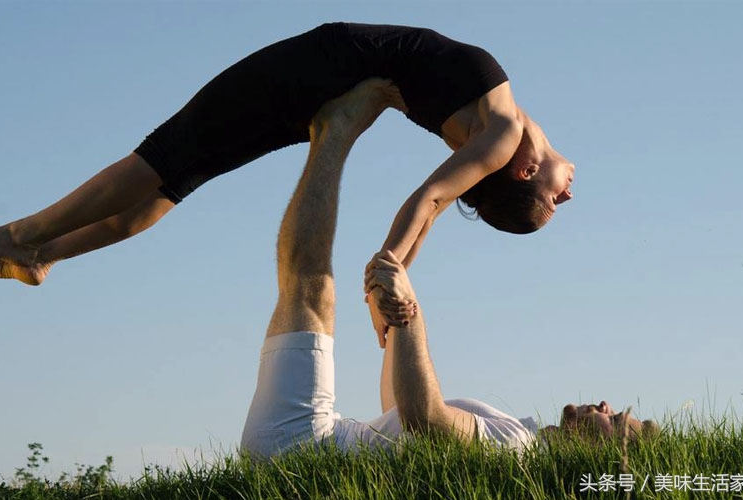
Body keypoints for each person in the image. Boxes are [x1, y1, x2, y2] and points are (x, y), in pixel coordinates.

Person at [0, 23, 575, 344]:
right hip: (323, 89)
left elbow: (430, 201)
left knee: (158, 166)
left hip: (314, 69)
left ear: (518, 171)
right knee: (170, 184)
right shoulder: (493, 132)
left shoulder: (499, 128)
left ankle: (24, 236)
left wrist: (388, 268)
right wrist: (390, 276)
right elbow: (434, 209)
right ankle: (43, 256)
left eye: (552, 199)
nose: (568, 192)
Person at [240, 83, 649, 459]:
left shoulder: (516, 448)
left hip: (301, 443)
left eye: (613, 420)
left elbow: (427, 419)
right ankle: (331, 129)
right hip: (301, 443)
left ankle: (335, 127)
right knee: (305, 288)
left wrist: (407, 306)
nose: (605, 406)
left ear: (600, 456)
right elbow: (400, 413)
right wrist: (397, 316)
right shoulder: (518, 435)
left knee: (311, 288)